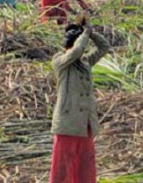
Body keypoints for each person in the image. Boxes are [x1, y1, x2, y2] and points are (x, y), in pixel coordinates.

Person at [49, 20, 110, 183]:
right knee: (63, 164)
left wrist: (90, 32)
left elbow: (104, 47)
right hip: (68, 122)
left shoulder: (85, 62)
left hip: (85, 122)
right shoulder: (60, 61)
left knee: (85, 163)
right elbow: (75, 52)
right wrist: (84, 36)